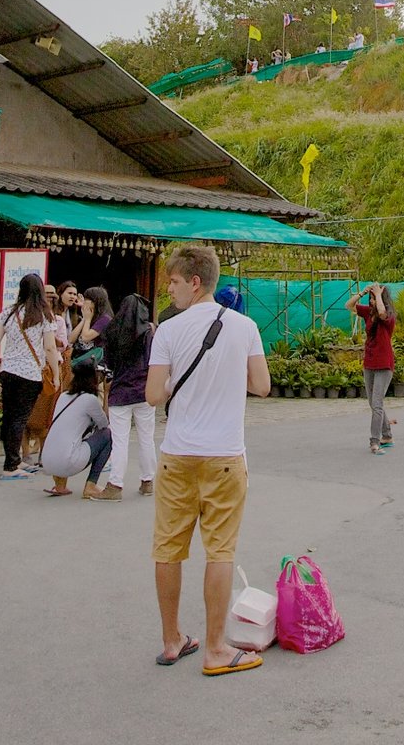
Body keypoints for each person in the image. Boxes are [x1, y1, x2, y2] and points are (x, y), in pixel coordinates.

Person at [147, 243, 271, 675]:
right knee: (219, 551)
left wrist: (176, 386)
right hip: (224, 456)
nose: (171, 290)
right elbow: (262, 385)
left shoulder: (167, 331)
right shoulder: (245, 327)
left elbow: (151, 395)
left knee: (168, 548)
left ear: (194, 281)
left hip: (176, 455)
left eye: (175, 282)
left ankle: (171, 640)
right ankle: (217, 649)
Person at [0, 274, 62, 479]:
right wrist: (56, 375)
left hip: (8, 370)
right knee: (20, 418)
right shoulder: (44, 314)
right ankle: (11, 466)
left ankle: (13, 459)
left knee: (9, 417)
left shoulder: (7, 312)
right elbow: (50, 347)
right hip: (30, 374)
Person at [101, 293, 160, 497]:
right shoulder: (149, 333)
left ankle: (115, 484)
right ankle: (147, 481)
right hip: (144, 391)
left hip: (120, 391)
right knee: (146, 438)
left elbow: (107, 364)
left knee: (120, 440)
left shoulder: (112, 331)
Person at [42, 359, 115, 499]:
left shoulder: (63, 396)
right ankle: (91, 485)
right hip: (68, 462)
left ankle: (59, 486)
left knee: (67, 437)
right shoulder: (89, 400)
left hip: (47, 461)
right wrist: (106, 393)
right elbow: (105, 424)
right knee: (108, 435)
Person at [351, 282, 397, 454]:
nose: (371, 302)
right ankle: (387, 435)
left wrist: (378, 295)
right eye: (370, 299)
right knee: (373, 402)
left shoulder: (389, 317)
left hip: (384, 365)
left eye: (374, 299)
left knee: (377, 403)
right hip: (369, 363)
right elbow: (349, 305)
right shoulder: (368, 313)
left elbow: (383, 312)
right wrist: (362, 293)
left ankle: (375, 441)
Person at [75, 285, 112, 368]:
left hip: (99, 361)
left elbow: (85, 337)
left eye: (87, 299)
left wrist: (87, 318)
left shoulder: (105, 319)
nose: (85, 301)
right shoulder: (95, 317)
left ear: (95, 301)